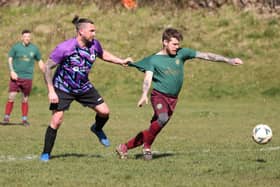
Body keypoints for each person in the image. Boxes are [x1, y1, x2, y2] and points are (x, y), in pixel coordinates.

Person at [116, 28, 243, 160]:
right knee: (163, 118)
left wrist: (228, 60)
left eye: (178, 44)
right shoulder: (154, 60)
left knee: (154, 129)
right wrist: (144, 94)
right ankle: (147, 147)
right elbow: (148, 78)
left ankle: (124, 147)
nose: (177, 47)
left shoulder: (182, 53)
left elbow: (206, 55)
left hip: (173, 100)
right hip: (159, 96)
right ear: (165, 42)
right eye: (174, 44)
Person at [40, 16, 131, 162]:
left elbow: (103, 54)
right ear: (81, 32)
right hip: (63, 87)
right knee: (57, 120)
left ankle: (97, 128)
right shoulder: (65, 47)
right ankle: (46, 153)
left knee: (104, 112)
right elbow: (47, 67)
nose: (94, 34)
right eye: (92, 31)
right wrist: (51, 90)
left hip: (83, 86)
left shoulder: (94, 44)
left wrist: (121, 61)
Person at [2, 29, 45, 126]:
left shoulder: (34, 48)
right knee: (11, 97)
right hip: (16, 77)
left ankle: (24, 120)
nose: (27, 39)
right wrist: (12, 71)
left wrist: (43, 67)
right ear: (22, 37)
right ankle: (6, 118)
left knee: (25, 99)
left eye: (29, 37)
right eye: (25, 37)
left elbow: (39, 60)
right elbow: (10, 59)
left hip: (27, 77)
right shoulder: (16, 47)